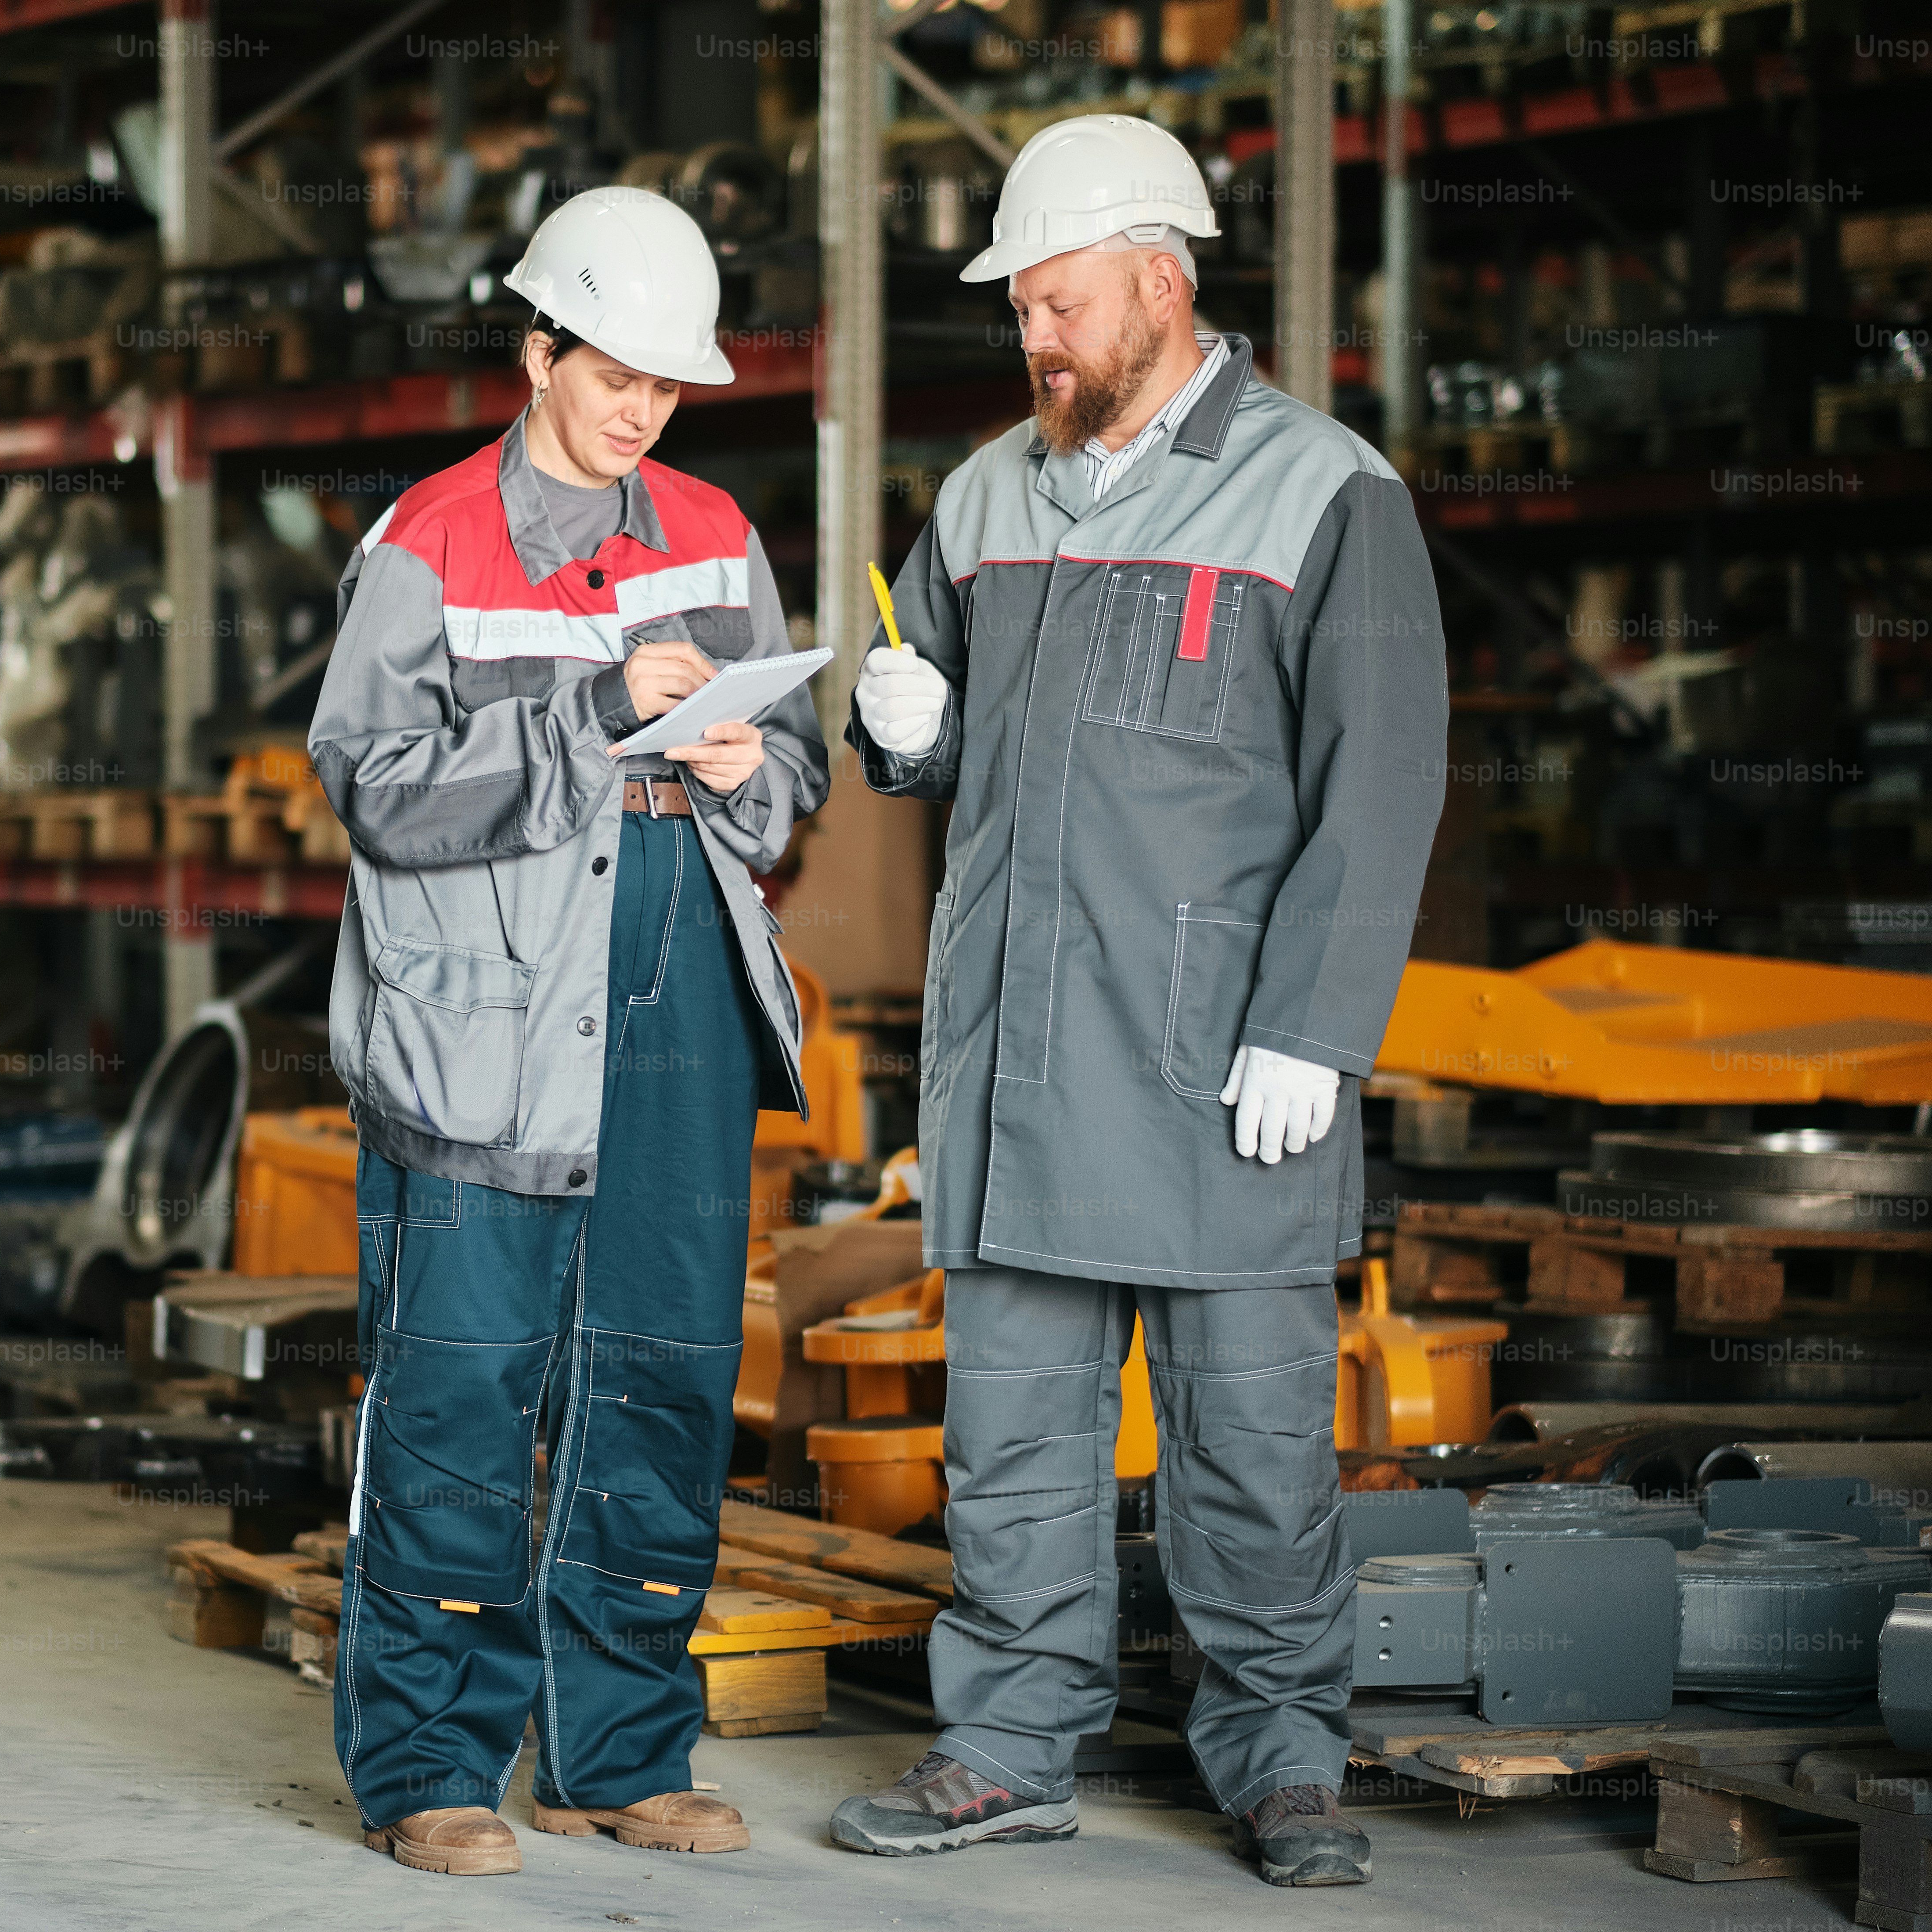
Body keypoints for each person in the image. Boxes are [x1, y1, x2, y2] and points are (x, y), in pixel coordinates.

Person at [826, 115, 1448, 1886]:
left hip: (1219, 1057)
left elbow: (1386, 775)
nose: (1039, 335)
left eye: (1064, 300)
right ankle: (1009, 1742)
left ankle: (1284, 1761)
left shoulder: (1324, 493)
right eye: (1022, 305)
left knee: (1251, 1441)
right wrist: (897, 727)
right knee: (1012, 1437)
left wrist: (1319, 1027)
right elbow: (924, 730)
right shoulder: (982, 493)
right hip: (1017, 1054)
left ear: (1164, 285)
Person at [307, 185, 829, 1878]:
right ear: (537, 351)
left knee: (660, 1391)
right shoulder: (428, 545)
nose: (642, 409)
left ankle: (618, 1752)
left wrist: (762, 777)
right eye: (615, 373)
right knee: (462, 1400)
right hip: (484, 1038)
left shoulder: (716, 532)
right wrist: (592, 714)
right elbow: (375, 790)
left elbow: (797, 771)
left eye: (670, 385)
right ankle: (426, 1768)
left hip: (681, 1012)